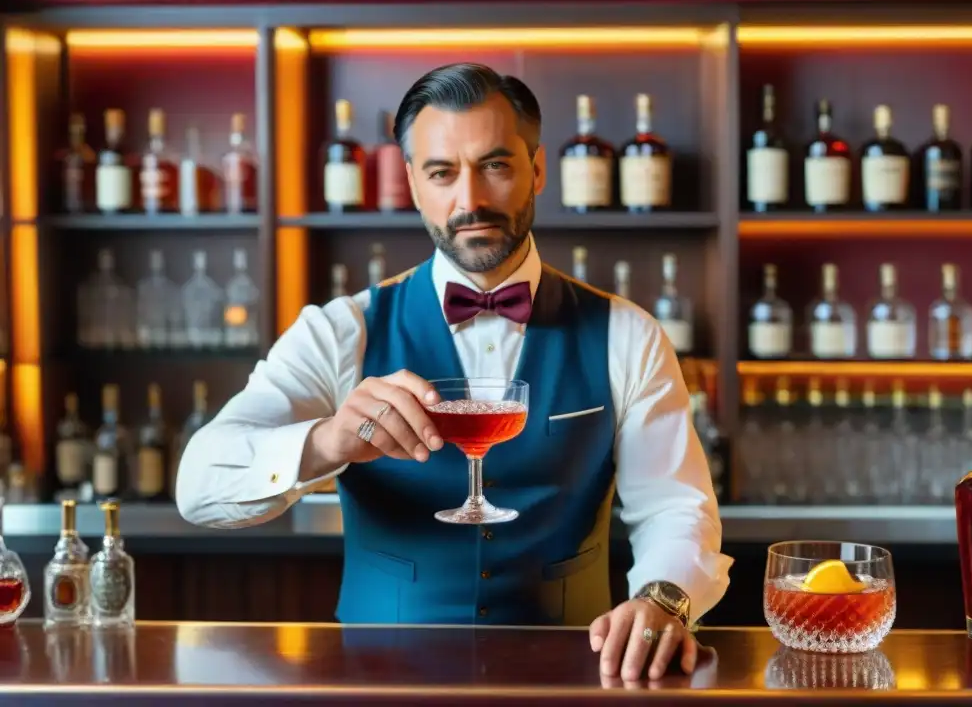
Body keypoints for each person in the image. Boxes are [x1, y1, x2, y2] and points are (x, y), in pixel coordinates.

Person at [176, 63, 732, 681]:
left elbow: (676, 507)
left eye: (495, 165)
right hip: (374, 685)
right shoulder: (341, 330)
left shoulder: (627, 334)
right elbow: (198, 487)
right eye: (442, 173)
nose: (470, 200)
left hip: (574, 680)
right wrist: (326, 441)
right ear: (413, 183)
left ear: (537, 171)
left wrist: (664, 599)